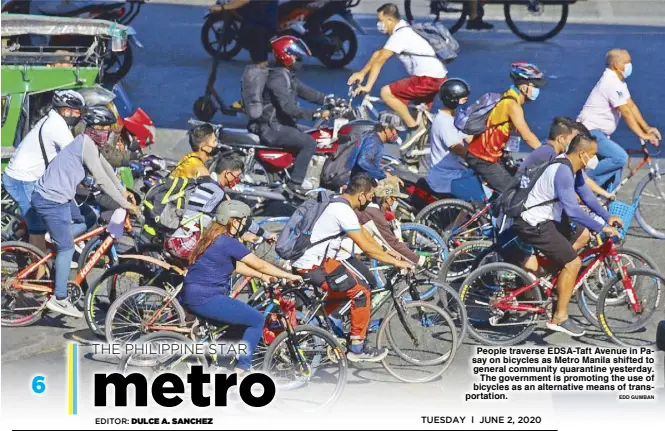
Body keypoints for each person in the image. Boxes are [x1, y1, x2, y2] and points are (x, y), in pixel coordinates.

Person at [28, 106, 141, 318]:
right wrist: (125, 205)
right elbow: (101, 179)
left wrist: (124, 191)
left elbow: (107, 169)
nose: (107, 132)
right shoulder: (85, 145)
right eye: (103, 128)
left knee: (90, 217)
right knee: (67, 247)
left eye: (108, 128)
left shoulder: (89, 144)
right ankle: (59, 298)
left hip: (61, 197)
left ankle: (58, 238)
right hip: (51, 200)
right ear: (92, 128)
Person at [291, 174, 413, 362]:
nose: (372, 199)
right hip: (313, 264)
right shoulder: (342, 211)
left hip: (319, 260)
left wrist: (392, 254)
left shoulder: (339, 204)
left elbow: (366, 237)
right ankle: (357, 348)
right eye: (371, 195)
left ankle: (323, 325)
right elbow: (366, 247)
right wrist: (396, 262)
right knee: (361, 292)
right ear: (362, 195)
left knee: (351, 287)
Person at [510, 133, 622, 337]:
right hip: (534, 223)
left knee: (582, 235)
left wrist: (607, 216)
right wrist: (601, 227)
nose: (595, 159)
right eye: (594, 154)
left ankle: (552, 282)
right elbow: (572, 210)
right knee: (573, 263)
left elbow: (586, 195)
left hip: (548, 220)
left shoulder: (572, 167)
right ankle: (559, 318)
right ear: (582, 154)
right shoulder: (562, 170)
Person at [182, 200, 302, 374]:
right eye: (243, 221)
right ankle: (241, 370)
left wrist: (263, 276)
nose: (244, 226)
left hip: (195, 296)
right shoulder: (227, 242)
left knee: (239, 324)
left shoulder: (213, 237)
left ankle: (214, 359)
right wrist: (289, 275)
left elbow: (235, 266)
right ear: (234, 220)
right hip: (206, 298)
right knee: (256, 320)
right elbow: (259, 263)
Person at [347, 3, 448, 143]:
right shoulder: (403, 29)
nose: (379, 25)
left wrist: (368, 86)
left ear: (389, 20)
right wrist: (362, 73)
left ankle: (414, 128)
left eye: (381, 21)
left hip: (427, 78)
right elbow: (378, 54)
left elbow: (380, 60)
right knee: (416, 113)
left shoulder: (400, 35)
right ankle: (415, 152)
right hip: (436, 76)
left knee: (386, 93)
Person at [3, 90, 85, 251]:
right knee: (38, 228)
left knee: (38, 217)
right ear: (66, 111)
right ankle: (39, 271)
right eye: (77, 112)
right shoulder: (57, 126)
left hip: (25, 177)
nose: (79, 116)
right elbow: (78, 154)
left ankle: (15, 242)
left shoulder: (54, 119)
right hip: (22, 180)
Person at [251, 35, 330, 193]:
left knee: (315, 134)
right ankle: (295, 184)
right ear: (285, 56)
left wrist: (330, 100)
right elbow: (289, 108)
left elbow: (308, 92)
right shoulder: (277, 79)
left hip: (281, 124)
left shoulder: (287, 76)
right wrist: (317, 113)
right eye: (296, 56)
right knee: (309, 143)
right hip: (272, 128)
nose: (299, 59)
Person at [577, 49, 661, 192]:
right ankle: (580, 185)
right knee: (619, 157)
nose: (630, 65)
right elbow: (626, 112)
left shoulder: (618, 81)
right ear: (616, 65)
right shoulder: (610, 82)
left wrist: (646, 128)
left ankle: (606, 205)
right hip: (590, 132)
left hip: (599, 133)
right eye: (627, 62)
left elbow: (631, 106)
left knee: (616, 170)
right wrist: (642, 135)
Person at [165, 156, 275, 261]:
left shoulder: (205, 182)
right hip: (184, 242)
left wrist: (243, 234)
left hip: (174, 235)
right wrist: (266, 234)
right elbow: (241, 219)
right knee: (223, 259)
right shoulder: (216, 193)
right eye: (237, 176)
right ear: (227, 173)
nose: (238, 180)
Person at [465, 62, 544, 193]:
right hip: (483, 158)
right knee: (512, 193)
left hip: (490, 155)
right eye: (534, 86)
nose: (536, 89)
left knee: (518, 180)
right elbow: (527, 136)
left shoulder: (507, 97)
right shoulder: (512, 105)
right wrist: (548, 153)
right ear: (524, 88)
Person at [425, 78, 478, 196]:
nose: (466, 101)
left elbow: (469, 138)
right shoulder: (444, 122)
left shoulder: (454, 117)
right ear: (453, 100)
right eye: (463, 99)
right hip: (446, 178)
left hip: (456, 172)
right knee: (482, 195)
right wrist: (479, 159)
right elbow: (458, 148)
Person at [210, 0, 278, 65]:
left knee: (260, 63)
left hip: (258, 27)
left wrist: (222, 7)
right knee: (260, 63)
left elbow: (242, 1)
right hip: (262, 25)